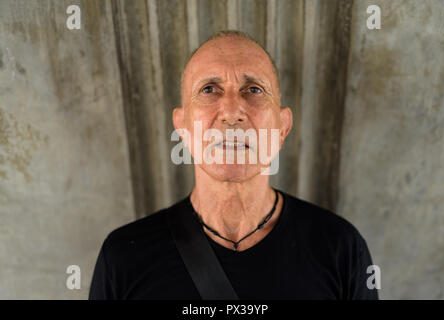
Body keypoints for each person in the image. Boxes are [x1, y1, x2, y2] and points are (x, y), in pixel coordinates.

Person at [89, 30, 379, 300]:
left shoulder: (341, 250)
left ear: (282, 127)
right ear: (182, 127)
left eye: (253, 90)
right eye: (209, 90)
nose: (230, 112)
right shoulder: (124, 257)